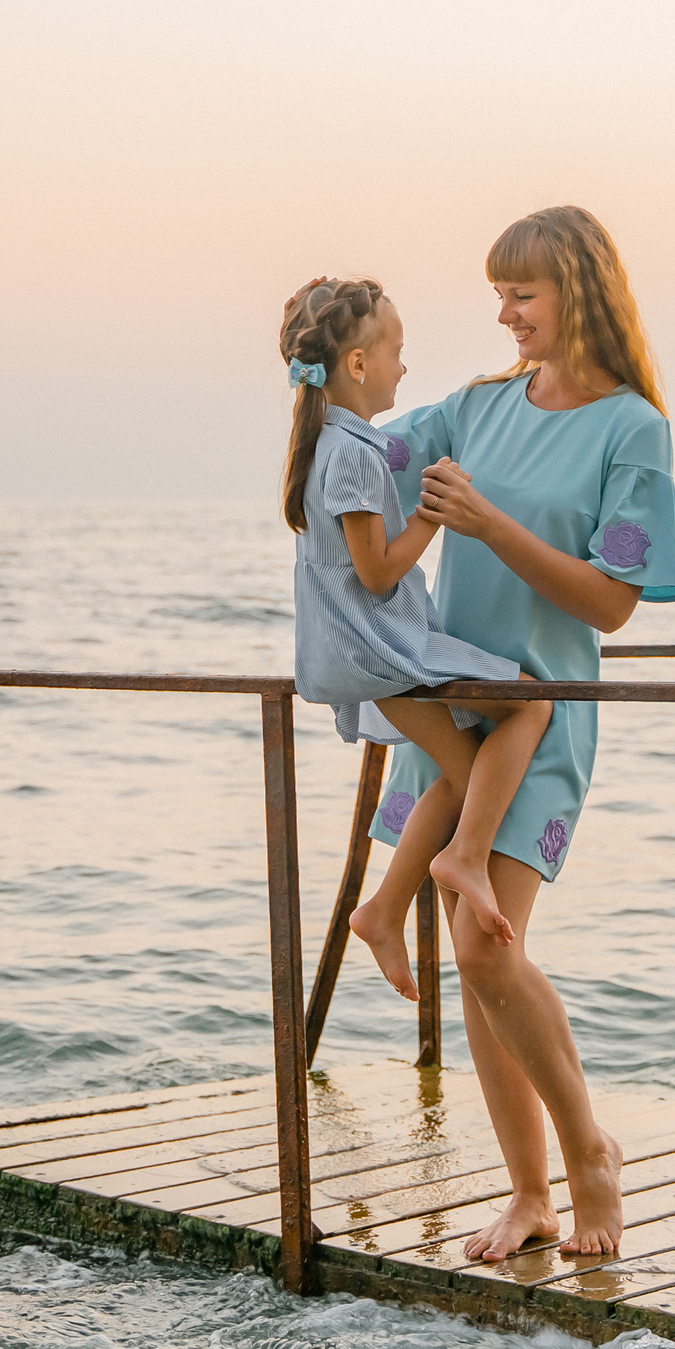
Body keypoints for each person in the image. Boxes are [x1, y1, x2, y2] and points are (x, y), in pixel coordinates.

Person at [357, 206, 675, 1261]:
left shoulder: (632, 426)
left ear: (579, 289)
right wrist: (321, 373)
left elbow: (613, 604)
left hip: (543, 719)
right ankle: (530, 1193)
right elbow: (359, 460)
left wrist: (488, 521)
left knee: (480, 942)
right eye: (498, 292)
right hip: (450, 713)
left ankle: (587, 1159)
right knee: (475, 952)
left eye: (521, 293)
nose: (501, 313)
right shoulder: (476, 406)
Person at [280, 275, 552, 946]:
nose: (405, 366)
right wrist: (436, 513)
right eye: (397, 351)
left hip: (357, 649)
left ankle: (384, 908)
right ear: (358, 364)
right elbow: (375, 574)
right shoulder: (352, 454)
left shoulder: (331, 445)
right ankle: (456, 861)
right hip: (376, 648)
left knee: (466, 773)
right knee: (533, 701)